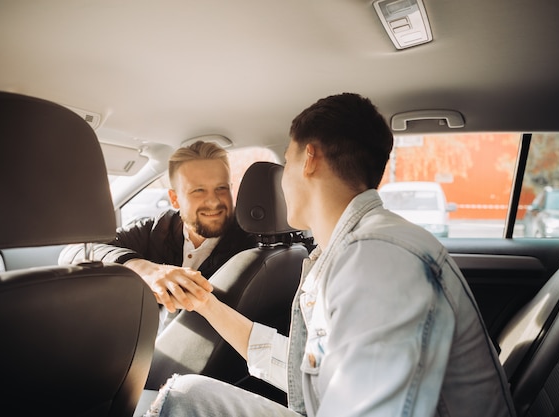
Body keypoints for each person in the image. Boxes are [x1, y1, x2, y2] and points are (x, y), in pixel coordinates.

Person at [142, 93, 517, 417]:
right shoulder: (349, 250)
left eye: (286, 162)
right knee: (188, 394)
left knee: (182, 400)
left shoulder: (376, 258)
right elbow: (308, 370)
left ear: (309, 160)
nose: (282, 180)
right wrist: (206, 304)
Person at [59, 140, 257, 328]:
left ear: (231, 189)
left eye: (221, 188)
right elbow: (75, 251)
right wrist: (146, 270)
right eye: (198, 190)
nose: (213, 201)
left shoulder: (252, 245)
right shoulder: (156, 229)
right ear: (175, 199)